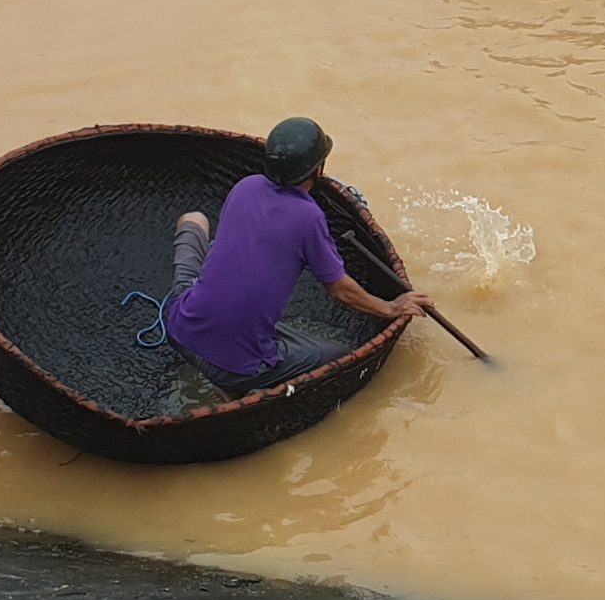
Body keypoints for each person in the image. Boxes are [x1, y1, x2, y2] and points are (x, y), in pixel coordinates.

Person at [165, 118, 433, 396]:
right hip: (233, 368)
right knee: (339, 356)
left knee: (194, 219)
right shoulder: (309, 217)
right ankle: (239, 388)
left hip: (179, 326)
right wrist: (391, 308)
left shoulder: (247, 185)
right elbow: (339, 288)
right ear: (318, 170)